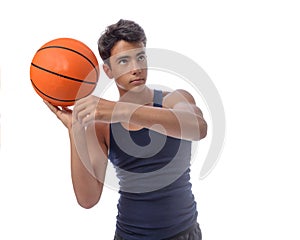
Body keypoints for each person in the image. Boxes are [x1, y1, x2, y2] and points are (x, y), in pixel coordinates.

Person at [44, 19, 207, 240]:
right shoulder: (102, 125)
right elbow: (88, 199)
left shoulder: (174, 99)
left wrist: (120, 110)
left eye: (140, 57)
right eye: (123, 61)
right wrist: (75, 131)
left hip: (184, 233)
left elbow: (198, 128)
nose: (136, 68)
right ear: (108, 71)